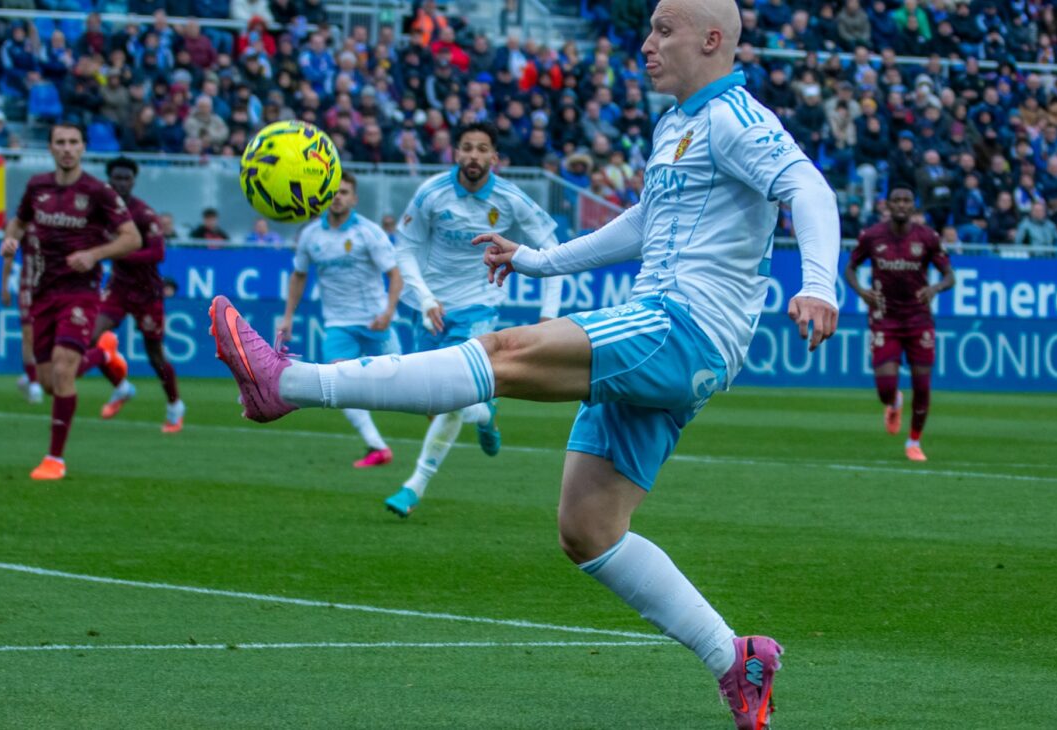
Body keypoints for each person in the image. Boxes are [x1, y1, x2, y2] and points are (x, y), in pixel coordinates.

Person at [209, 1, 839, 727]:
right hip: (669, 325)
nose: (647, 43)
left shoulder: (735, 117)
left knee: (504, 354)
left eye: (664, 30)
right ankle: (737, 660)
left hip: (686, 324)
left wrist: (818, 284)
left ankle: (286, 383)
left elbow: (808, 188)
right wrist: (538, 260)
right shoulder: (676, 124)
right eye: (649, 28)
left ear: (712, 39)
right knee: (588, 528)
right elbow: (644, 223)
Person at [382, 121, 562, 517]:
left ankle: (414, 486)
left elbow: (552, 251)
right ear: (455, 153)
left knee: (453, 395)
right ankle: (484, 412)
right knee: (432, 401)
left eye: (482, 149)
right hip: (433, 308)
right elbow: (405, 249)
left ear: (494, 157)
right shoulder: (431, 193)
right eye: (467, 147)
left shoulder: (511, 199)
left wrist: (548, 314)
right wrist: (425, 298)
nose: (474, 156)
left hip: (480, 306)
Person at [0, 123, 140, 480]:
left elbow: (132, 238)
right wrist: (10, 242)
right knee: (49, 382)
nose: (66, 148)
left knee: (63, 370)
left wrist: (94, 255)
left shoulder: (98, 192)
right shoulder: (37, 186)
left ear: (83, 148)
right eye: (60, 142)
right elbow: (17, 225)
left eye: (73, 142)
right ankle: (103, 354)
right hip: (42, 290)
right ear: (50, 148)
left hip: (80, 291)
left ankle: (54, 459)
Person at [279, 171, 405, 467]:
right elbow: (299, 275)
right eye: (333, 192)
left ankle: (472, 413)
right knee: (337, 385)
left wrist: (388, 312)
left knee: (404, 386)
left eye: (344, 192)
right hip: (338, 324)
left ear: (354, 199)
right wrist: (288, 317)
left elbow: (395, 274)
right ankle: (377, 446)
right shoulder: (311, 234)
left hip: (375, 321)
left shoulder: (369, 232)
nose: (338, 197)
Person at [844, 184, 955, 462]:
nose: (902, 204)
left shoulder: (927, 237)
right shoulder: (872, 236)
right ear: (888, 205)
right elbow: (850, 268)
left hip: (918, 318)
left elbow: (950, 275)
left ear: (913, 206)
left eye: (907, 200)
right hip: (885, 317)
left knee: (922, 385)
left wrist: (935, 288)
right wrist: (861, 292)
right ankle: (893, 402)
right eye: (897, 200)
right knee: (885, 388)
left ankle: (913, 441)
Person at [79, 156, 185, 432]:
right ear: (109, 180)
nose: (122, 183)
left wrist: (120, 252)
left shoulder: (143, 214)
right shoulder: (102, 211)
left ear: (134, 181)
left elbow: (158, 253)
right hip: (118, 288)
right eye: (117, 177)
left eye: (127, 178)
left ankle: (175, 405)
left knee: (155, 355)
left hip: (147, 292)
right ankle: (121, 386)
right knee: (90, 338)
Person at [0, 225, 44, 404]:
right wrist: (4, 286)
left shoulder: (58, 218)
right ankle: (34, 383)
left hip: (54, 286)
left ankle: (31, 375)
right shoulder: (23, 222)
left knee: (48, 336)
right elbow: (9, 255)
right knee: (28, 334)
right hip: (29, 287)